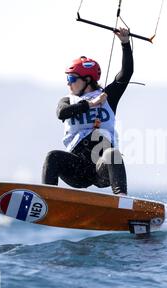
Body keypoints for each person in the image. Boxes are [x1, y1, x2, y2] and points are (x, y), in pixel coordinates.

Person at [42, 28, 132, 196]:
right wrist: (90, 104)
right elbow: (61, 113)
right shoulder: (68, 101)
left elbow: (126, 74)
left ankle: (122, 200)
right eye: (67, 78)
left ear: (87, 80)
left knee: (113, 153)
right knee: (52, 156)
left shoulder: (108, 97)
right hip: (78, 170)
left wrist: (125, 43)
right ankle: (48, 198)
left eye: (71, 79)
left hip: (102, 170)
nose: (68, 83)